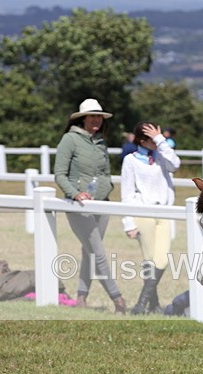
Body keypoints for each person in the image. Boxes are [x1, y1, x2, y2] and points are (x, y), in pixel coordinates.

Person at [54, 98, 127, 314]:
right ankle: (118, 299)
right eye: (93, 116)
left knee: (89, 253)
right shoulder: (69, 139)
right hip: (80, 207)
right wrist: (75, 194)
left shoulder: (100, 142)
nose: (96, 120)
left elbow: (104, 172)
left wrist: (108, 187)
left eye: (99, 116)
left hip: (101, 205)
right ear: (83, 118)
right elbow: (59, 174)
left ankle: (81, 297)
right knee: (98, 252)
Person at [121, 121, 179, 315]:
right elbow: (127, 193)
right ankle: (152, 304)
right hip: (143, 213)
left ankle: (141, 303)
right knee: (150, 260)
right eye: (152, 139)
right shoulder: (130, 160)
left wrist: (161, 140)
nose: (156, 142)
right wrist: (128, 222)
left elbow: (175, 165)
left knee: (161, 260)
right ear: (142, 140)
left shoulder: (163, 155)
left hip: (164, 212)